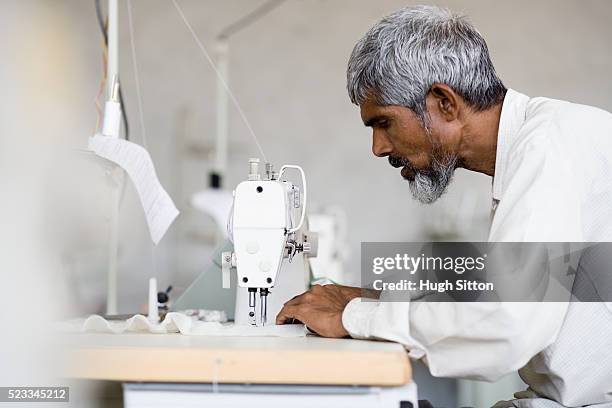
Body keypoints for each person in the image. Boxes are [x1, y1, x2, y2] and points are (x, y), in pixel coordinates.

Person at [276, 6, 612, 408]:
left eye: (383, 123)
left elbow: (506, 324)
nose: (378, 148)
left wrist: (354, 316)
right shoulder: (549, 139)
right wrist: (374, 300)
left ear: (444, 102)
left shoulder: (547, 148)